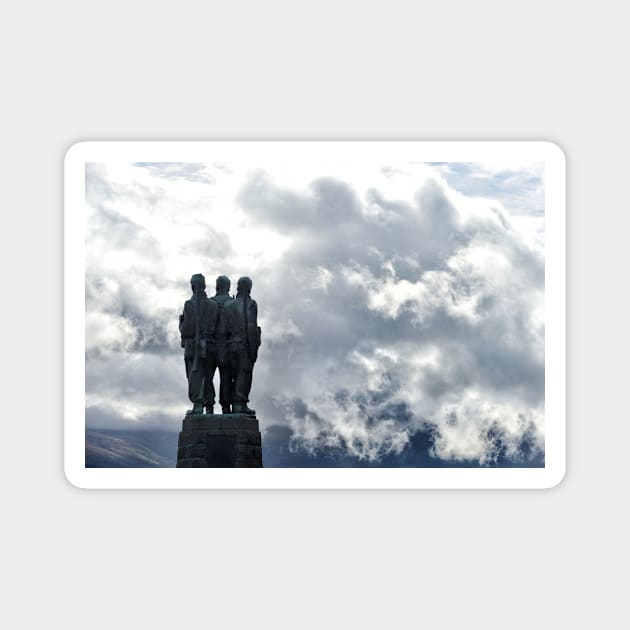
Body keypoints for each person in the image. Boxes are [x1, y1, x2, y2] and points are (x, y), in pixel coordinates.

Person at [178, 274, 219, 415]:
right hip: (211, 347)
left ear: (193, 286)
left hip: (193, 347)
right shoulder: (213, 305)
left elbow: (188, 328)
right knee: (208, 377)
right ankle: (210, 406)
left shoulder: (189, 305)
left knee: (195, 376)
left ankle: (198, 405)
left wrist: (181, 323)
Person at [221, 276, 261, 415]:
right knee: (243, 375)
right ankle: (239, 405)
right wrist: (253, 349)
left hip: (229, 346)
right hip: (244, 346)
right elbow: (251, 327)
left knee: (228, 378)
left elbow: (222, 330)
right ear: (249, 288)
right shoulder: (251, 304)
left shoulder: (228, 305)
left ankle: (226, 407)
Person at [209, 275, 234, 414]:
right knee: (226, 378)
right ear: (228, 287)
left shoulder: (210, 302)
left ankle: (209, 407)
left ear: (217, 286)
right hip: (228, 346)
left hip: (210, 346)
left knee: (207, 377)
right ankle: (226, 407)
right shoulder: (232, 303)